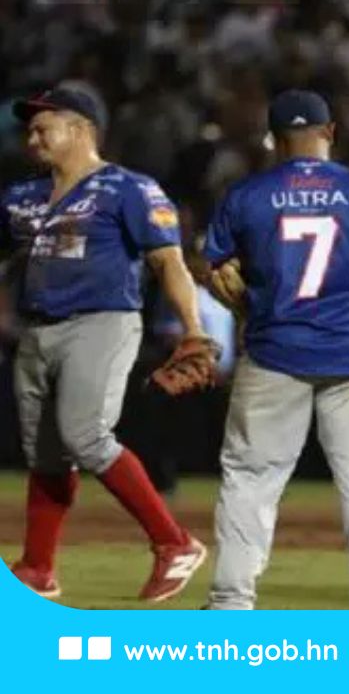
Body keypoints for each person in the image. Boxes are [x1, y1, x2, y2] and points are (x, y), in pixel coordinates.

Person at [202, 89, 349, 610]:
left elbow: (215, 266)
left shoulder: (245, 195)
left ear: (273, 139)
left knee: (252, 479)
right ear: (329, 131)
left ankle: (230, 602)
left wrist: (250, 300)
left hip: (275, 351)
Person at [4, 86, 215, 602]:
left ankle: (175, 542)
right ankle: (37, 568)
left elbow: (169, 261)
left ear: (80, 129)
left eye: (43, 126)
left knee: (86, 435)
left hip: (101, 321)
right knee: (47, 455)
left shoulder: (129, 188)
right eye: (29, 128)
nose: (32, 137)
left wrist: (193, 329)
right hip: (34, 329)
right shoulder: (20, 196)